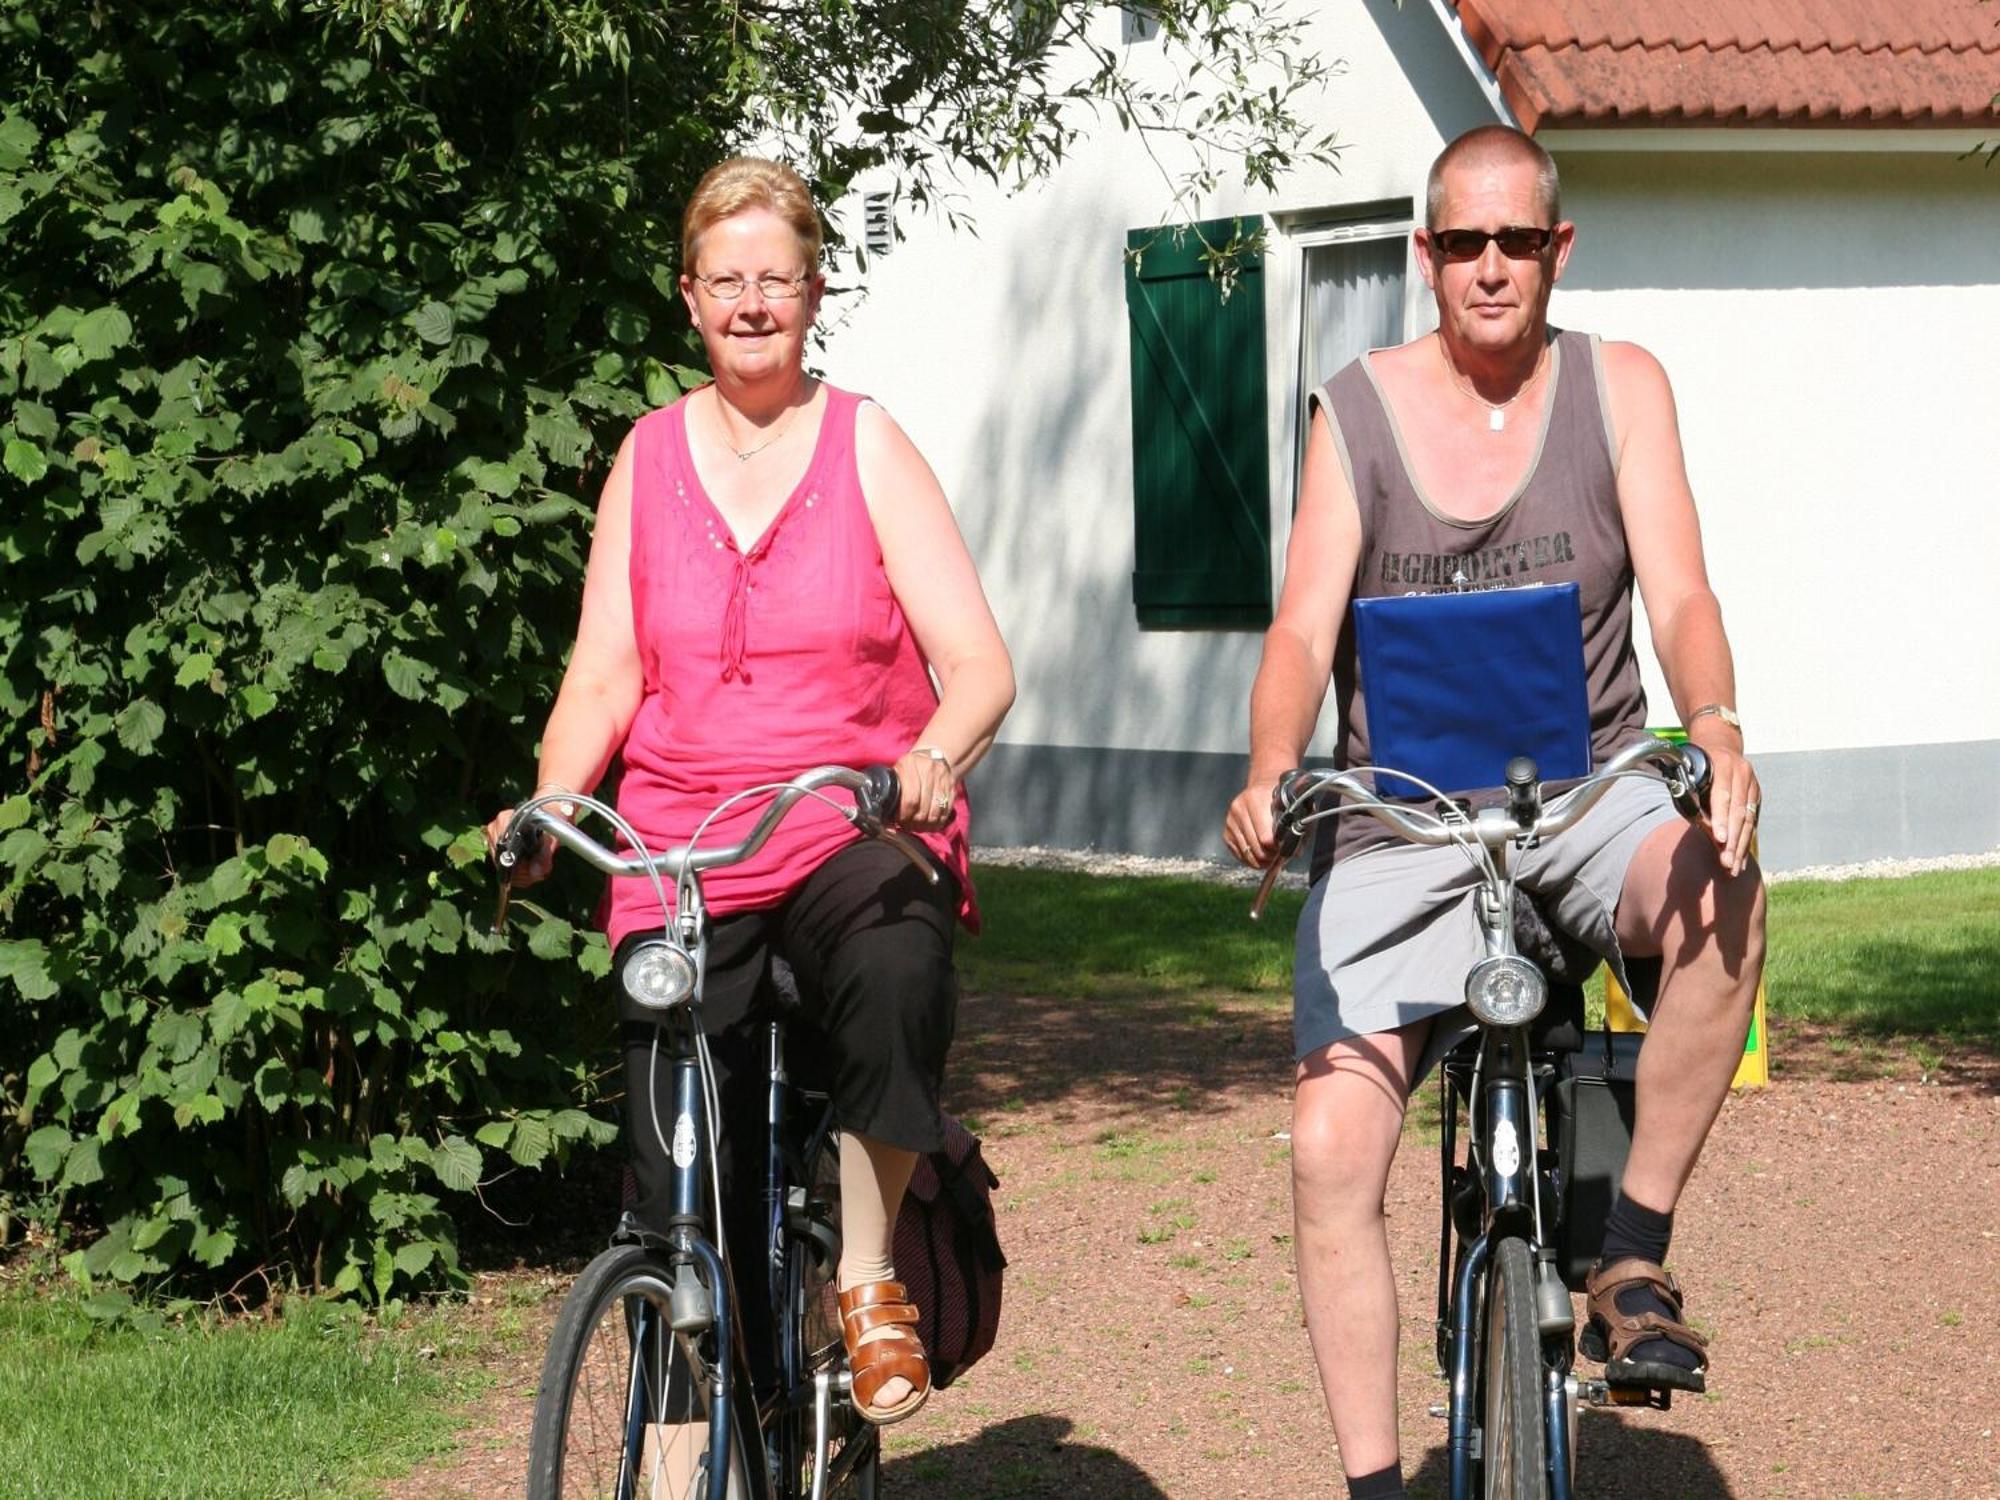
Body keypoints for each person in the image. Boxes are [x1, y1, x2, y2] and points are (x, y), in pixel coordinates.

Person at [1221, 125, 1766, 1500]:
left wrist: (1717, 731)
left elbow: (1683, 594)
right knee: (1331, 1147)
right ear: (1426, 256)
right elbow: (1297, 630)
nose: (1488, 268)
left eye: (1515, 241)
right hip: (1400, 819)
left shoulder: (1623, 387)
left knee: (1724, 892)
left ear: (1556, 251)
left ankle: (1631, 1251)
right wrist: (1270, 764)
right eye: (1461, 242)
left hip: (1585, 791)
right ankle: (1375, 1485)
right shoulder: (1355, 412)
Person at [487, 155, 1015, 1428]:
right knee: (679, 1174)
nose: (751, 301)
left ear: (815, 291)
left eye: (775, 277)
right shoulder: (645, 456)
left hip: (844, 820)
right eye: (725, 279)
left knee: (896, 962)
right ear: (688, 296)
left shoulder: (866, 445)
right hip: (679, 845)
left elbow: (980, 666)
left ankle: (870, 1270)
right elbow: (606, 670)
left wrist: (931, 754)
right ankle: (690, 1382)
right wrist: (551, 802)